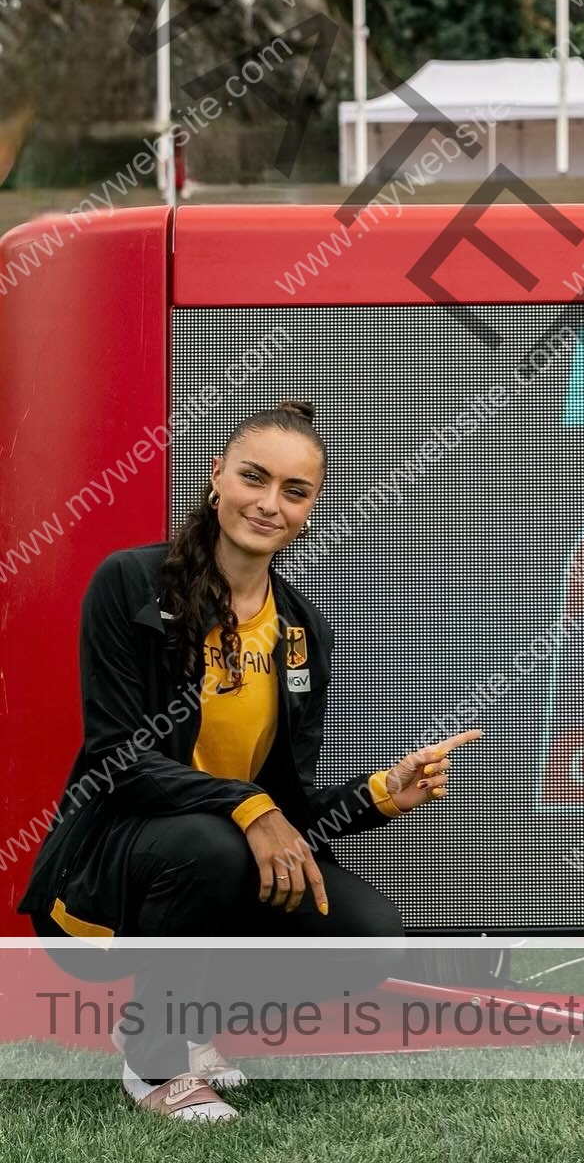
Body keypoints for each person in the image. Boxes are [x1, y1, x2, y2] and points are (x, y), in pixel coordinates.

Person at [17, 398, 483, 1122]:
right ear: (216, 477)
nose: (269, 504)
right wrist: (247, 807)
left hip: (220, 854)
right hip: (111, 870)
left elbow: (288, 807)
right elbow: (119, 757)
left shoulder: (305, 631)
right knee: (216, 842)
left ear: (312, 507)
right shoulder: (131, 584)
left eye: (294, 492)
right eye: (254, 478)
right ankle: (154, 1069)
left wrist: (382, 793)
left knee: (368, 934)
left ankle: (170, 1018)